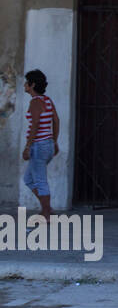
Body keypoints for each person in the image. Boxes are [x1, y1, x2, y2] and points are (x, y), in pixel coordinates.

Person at [22, 69, 59, 220]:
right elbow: (56, 120)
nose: (24, 85)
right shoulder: (47, 100)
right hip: (48, 144)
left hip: (38, 146)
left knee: (39, 180)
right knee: (28, 179)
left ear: (32, 85)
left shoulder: (35, 102)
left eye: (26, 82)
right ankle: (47, 207)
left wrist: (27, 146)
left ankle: (46, 213)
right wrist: (54, 141)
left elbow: (35, 124)